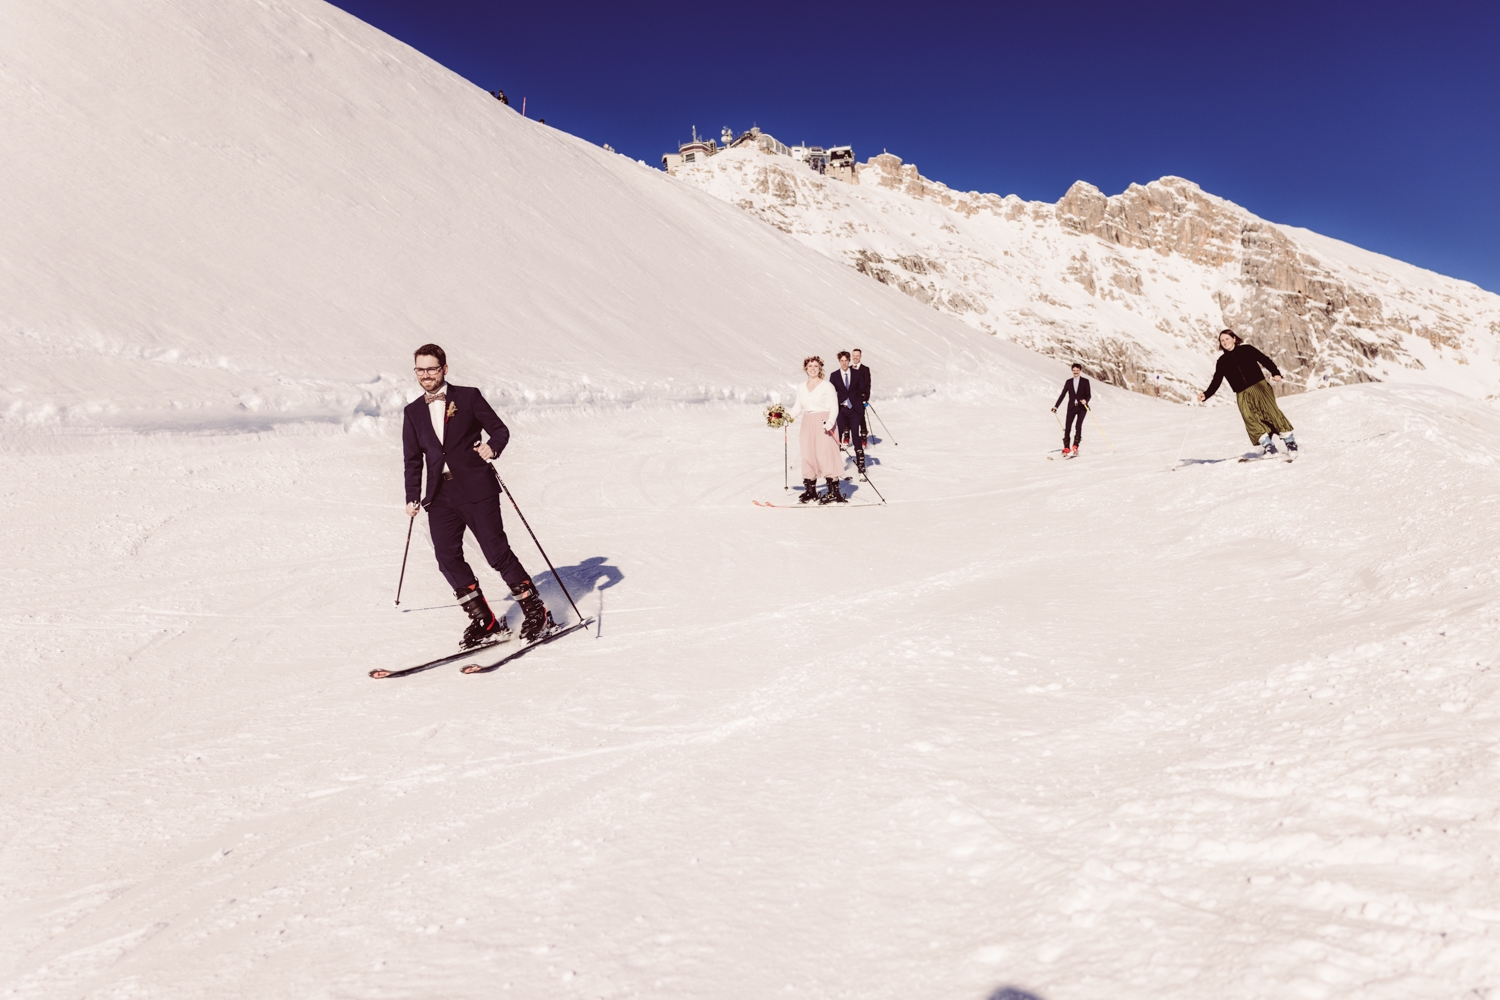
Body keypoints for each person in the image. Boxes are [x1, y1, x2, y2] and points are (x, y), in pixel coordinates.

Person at [402, 344, 556, 648]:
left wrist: (492, 447)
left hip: (476, 488)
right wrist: (412, 495)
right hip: (439, 495)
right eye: (420, 369)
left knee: (495, 552)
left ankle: (536, 610)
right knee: (447, 558)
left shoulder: (468, 397)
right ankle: (484, 621)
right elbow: (412, 460)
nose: (426, 375)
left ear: (444, 369)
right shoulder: (413, 412)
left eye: (432, 368)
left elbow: (499, 430)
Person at [1197, 330, 1298, 456]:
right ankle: (1268, 446)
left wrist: (1275, 373)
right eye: (1222, 340)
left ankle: (1290, 442)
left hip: (1259, 386)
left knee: (1272, 412)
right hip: (1242, 393)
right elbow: (1216, 380)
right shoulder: (1222, 361)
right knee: (1249, 418)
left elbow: (1264, 360)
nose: (1225, 342)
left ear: (1234, 339)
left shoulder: (1247, 349)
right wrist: (1206, 394)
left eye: (1227, 339)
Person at [787, 356, 846, 504]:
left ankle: (834, 491)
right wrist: (787, 417)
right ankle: (810, 490)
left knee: (825, 454)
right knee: (808, 454)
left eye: (816, 366)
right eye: (810, 366)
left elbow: (834, 406)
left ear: (820, 368)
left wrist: (831, 422)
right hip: (807, 421)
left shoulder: (827, 386)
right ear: (805, 368)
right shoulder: (801, 387)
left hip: (824, 421)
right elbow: (797, 407)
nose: (813, 369)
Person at [831, 351, 866, 474]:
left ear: (849, 360)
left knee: (855, 435)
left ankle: (861, 464)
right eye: (842, 361)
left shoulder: (856, 373)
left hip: (854, 410)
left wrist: (862, 398)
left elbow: (863, 387)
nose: (844, 363)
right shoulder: (834, 375)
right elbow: (831, 393)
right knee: (837, 435)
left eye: (846, 360)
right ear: (839, 361)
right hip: (841, 409)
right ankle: (835, 465)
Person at [1051, 363, 1091, 456]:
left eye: (1077, 370)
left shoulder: (1085, 381)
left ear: (1080, 371)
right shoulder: (1069, 382)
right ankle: (1066, 447)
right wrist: (1056, 406)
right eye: (1074, 370)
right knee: (1067, 427)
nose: (1075, 372)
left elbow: (1088, 394)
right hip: (1071, 407)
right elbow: (1063, 394)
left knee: (1078, 426)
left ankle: (1075, 445)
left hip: (1082, 408)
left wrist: (1086, 400)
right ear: (1072, 371)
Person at [850, 348, 871, 453]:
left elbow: (868, 385)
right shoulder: (848, 369)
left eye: (857, 355)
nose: (855, 357)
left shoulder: (865, 369)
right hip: (850, 398)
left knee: (861, 416)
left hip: (860, 398)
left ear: (860, 356)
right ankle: (847, 436)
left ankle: (863, 435)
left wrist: (865, 398)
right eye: (854, 355)